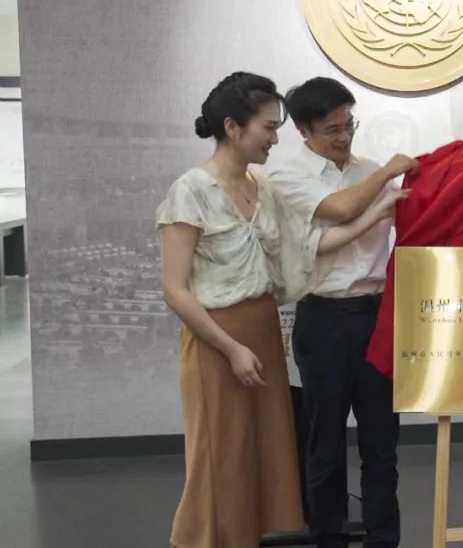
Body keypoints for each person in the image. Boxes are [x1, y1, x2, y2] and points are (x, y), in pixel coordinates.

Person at [157, 72, 406, 548]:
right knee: (227, 454)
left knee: (265, 453)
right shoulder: (201, 188)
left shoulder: (261, 187)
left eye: (349, 125)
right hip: (231, 333)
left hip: (269, 328)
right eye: (269, 128)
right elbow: (176, 289)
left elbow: (306, 247)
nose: (274, 138)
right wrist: (232, 349)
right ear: (232, 127)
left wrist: (379, 209)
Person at [267, 77, 416, 548]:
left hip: (376, 316)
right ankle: (328, 537)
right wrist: (387, 175)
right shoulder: (288, 177)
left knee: (382, 445)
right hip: (325, 321)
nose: (345, 136)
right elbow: (340, 209)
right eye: (332, 129)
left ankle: (384, 538)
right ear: (304, 131)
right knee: (325, 444)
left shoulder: (370, 171)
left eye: (349, 124)